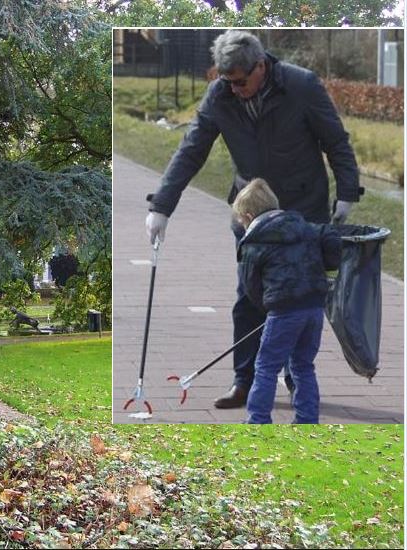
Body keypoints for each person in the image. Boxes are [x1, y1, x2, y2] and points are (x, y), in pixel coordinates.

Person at [144, 30, 361, 409]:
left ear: (260, 66)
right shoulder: (220, 94)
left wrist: (346, 193)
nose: (235, 89)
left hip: (301, 210)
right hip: (252, 214)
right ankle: (244, 381)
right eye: (227, 82)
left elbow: (336, 141)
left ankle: (296, 380)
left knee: (295, 295)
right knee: (249, 297)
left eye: (241, 82)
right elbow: (191, 149)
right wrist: (161, 206)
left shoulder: (301, 85)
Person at [232, 178, 341, 423]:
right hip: (313, 306)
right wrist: (329, 272)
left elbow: (251, 286)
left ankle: (258, 421)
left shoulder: (253, 243)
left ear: (248, 216)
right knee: (303, 365)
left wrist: (268, 306)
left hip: (283, 310)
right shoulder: (305, 226)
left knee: (266, 366)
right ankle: (307, 420)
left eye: (241, 221)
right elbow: (332, 236)